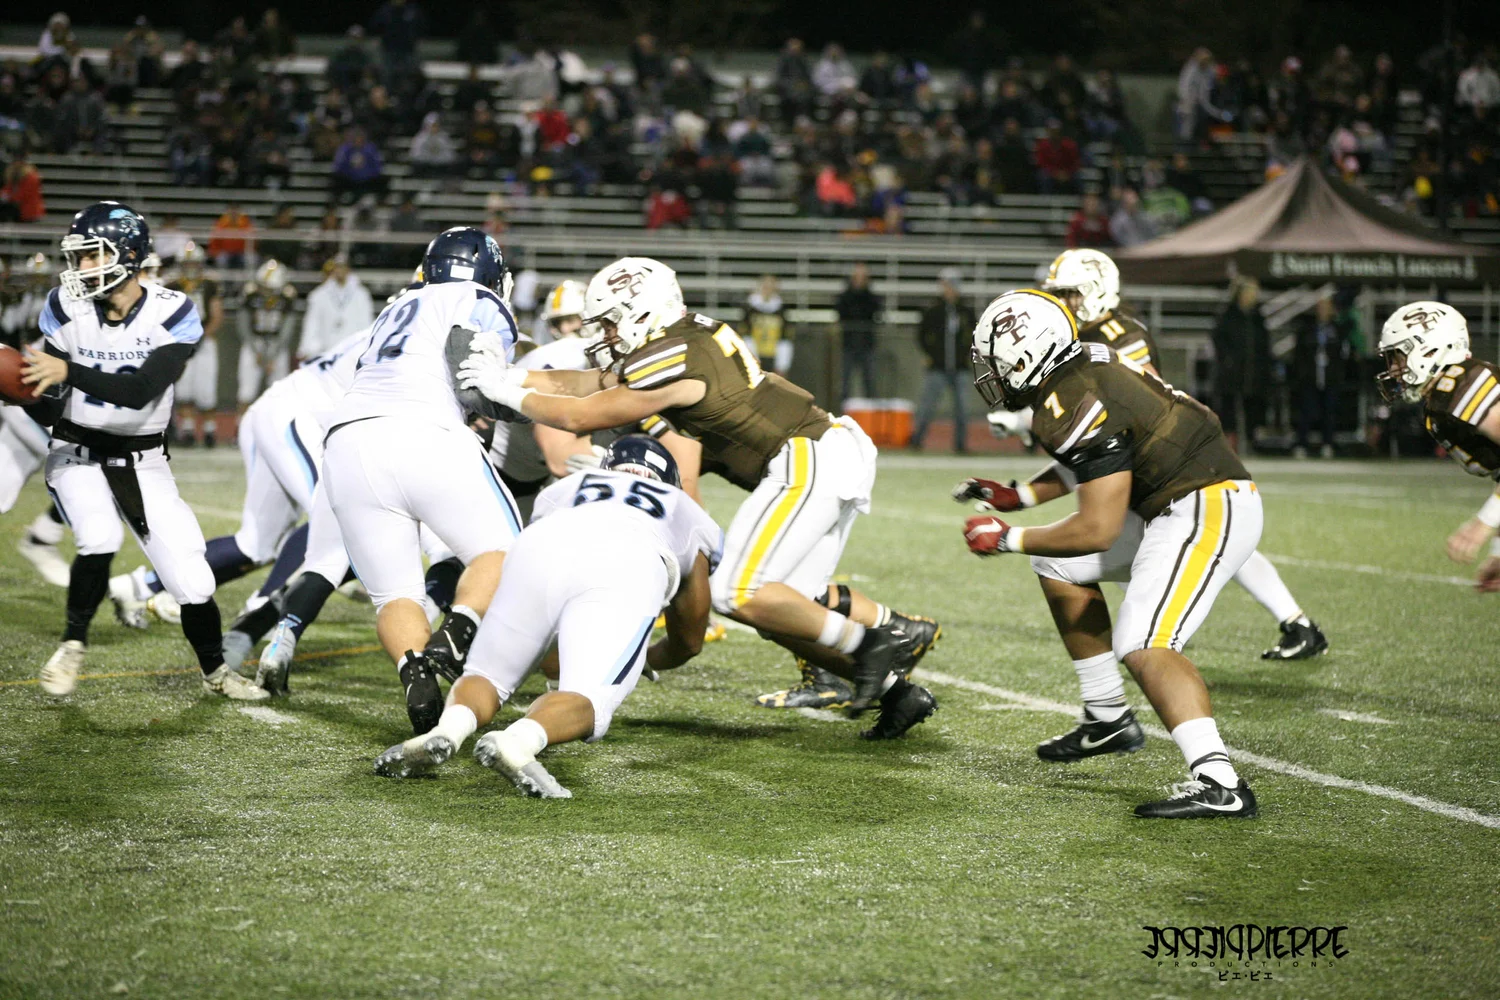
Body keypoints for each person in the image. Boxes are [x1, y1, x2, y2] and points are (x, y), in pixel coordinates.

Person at [454, 257, 941, 736]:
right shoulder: (678, 340)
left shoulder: (673, 353)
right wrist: (512, 374)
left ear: (641, 312)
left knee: (737, 590)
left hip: (805, 453)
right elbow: (583, 382)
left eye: (610, 323)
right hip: (821, 452)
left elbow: (583, 414)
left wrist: (506, 394)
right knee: (779, 613)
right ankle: (897, 693)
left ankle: (871, 641)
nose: (604, 335)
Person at [960, 289, 1261, 818]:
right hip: (1176, 501)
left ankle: (1220, 782)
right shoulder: (1082, 367)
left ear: (1026, 358)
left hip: (1203, 504)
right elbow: (1101, 456)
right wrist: (1020, 496)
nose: (992, 375)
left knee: (1144, 640)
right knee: (1056, 564)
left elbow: (1097, 528)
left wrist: (1008, 537)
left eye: (997, 363)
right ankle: (1107, 717)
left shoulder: (1072, 397)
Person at [372, 436, 721, 794]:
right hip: (629, 559)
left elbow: (551, 619)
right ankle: (519, 741)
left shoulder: (568, 487)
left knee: (488, 675)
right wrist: (644, 656)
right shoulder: (687, 509)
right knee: (589, 697)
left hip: (540, 544)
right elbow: (689, 640)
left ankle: (448, 730)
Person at [18, 202, 265, 701]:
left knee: (193, 580)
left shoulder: (172, 310)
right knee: (100, 535)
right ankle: (72, 644)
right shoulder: (65, 306)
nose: (82, 267)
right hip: (77, 451)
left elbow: (140, 391)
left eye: (94, 255)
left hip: (144, 458)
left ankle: (216, 673)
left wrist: (69, 372)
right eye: (79, 256)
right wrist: (21, 393)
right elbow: (49, 400)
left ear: (129, 256)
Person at [1037, 249, 1327, 660]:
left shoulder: (1118, 334)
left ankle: (1168, 630)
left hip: (1162, 460)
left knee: (1158, 540)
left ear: (1098, 289)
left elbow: (1140, 401)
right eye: (1059, 294)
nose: (1064, 302)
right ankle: (1291, 623)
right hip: (1148, 459)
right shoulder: (1094, 335)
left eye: (1071, 292)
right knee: (1182, 542)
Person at [322, 227, 523, 731]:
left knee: (395, 594)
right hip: (425, 431)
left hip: (347, 443)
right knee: (506, 553)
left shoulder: (396, 306)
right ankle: (457, 632)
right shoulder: (479, 298)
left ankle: (414, 673)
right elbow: (474, 377)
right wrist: (518, 408)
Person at [1376, 302, 1500, 592]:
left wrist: (1483, 523)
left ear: (1430, 350)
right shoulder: (1442, 402)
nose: (1393, 369)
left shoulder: (1462, 387)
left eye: (1398, 357)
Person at [911, 268, 976, 453]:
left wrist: (966, 355)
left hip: (960, 367)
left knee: (962, 409)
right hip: (937, 367)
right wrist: (930, 354)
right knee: (927, 406)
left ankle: (960, 445)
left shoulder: (965, 311)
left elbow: (974, 335)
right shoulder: (934, 310)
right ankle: (916, 440)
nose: (949, 289)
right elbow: (922, 335)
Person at [167, 242, 223, 447]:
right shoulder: (171, 286)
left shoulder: (209, 284)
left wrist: (202, 335)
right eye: (187, 263)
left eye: (194, 263)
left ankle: (210, 431)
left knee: (206, 390)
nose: (191, 267)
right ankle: (188, 430)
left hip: (205, 341)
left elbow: (216, 314)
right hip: (181, 341)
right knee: (184, 389)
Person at [1211, 278, 1271, 450]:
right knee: (1229, 405)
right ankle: (1230, 441)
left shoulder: (1257, 318)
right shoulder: (1228, 316)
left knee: (1253, 405)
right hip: (1232, 371)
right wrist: (1227, 360)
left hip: (1252, 372)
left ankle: (1252, 440)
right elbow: (1218, 340)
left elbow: (1264, 344)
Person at [1292, 294, 1352, 458]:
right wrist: (1302, 373)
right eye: (1320, 307)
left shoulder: (1337, 330)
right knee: (1306, 411)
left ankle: (1328, 443)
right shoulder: (1307, 329)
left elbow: (1343, 354)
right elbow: (1299, 353)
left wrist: (1338, 373)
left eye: (1326, 307)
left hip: (1330, 377)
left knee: (1329, 412)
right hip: (1310, 377)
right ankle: (1302, 444)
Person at [237, 259, 298, 404]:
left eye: (269, 288)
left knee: (279, 393)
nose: (265, 292)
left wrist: (273, 355)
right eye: (263, 287)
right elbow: (243, 324)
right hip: (253, 342)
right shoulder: (251, 294)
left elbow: (287, 328)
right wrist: (255, 350)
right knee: (246, 393)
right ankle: (242, 419)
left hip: (278, 344)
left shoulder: (287, 297)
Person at [299, 256, 373, 361]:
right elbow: (312, 322)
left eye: (342, 267)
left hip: (352, 350)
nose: (339, 271)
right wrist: (308, 347)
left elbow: (366, 322)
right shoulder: (320, 294)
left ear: (348, 269)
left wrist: (365, 347)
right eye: (337, 267)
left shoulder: (361, 294)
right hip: (326, 349)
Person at [835, 262, 880, 405]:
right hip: (848, 344)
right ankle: (843, 411)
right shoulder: (845, 297)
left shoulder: (872, 297)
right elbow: (841, 313)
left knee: (869, 382)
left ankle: (870, 412)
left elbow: (875, 313)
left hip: (867, 344)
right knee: (845, 383)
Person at [744, 274, 793, 377]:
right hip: (755, 347)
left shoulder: (781, 309)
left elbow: (785, 335)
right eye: (765, 285)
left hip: (773, 349)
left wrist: (782, 362)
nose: (768, 289)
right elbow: (744, 332)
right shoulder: (749, 307)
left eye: (771, 285)